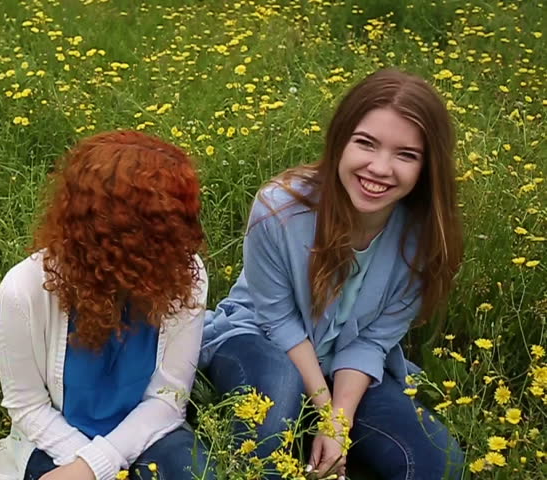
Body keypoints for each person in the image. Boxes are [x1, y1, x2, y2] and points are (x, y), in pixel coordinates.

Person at [199, 69, 465, 480]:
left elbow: (372, 341)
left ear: (428, 166)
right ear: (340, 140)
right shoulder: (279, 209)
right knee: (276, 399)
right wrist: (328, 415)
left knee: (437, 461)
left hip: (346, 365)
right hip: (259, 339)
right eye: (366, 143)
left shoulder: (425, 239)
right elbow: (278, 321)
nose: (380, 168)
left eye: (406, 155)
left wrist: (338, 422)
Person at [0, 131, 212, 480]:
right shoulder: (23, 292)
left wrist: (95, 465)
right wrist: (86, 465)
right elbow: (28, 407)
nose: (184, 240)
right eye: (166, 229)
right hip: (55, 442)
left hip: (151, 435)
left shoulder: (184, 275)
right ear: (116, 235)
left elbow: (169, 399)